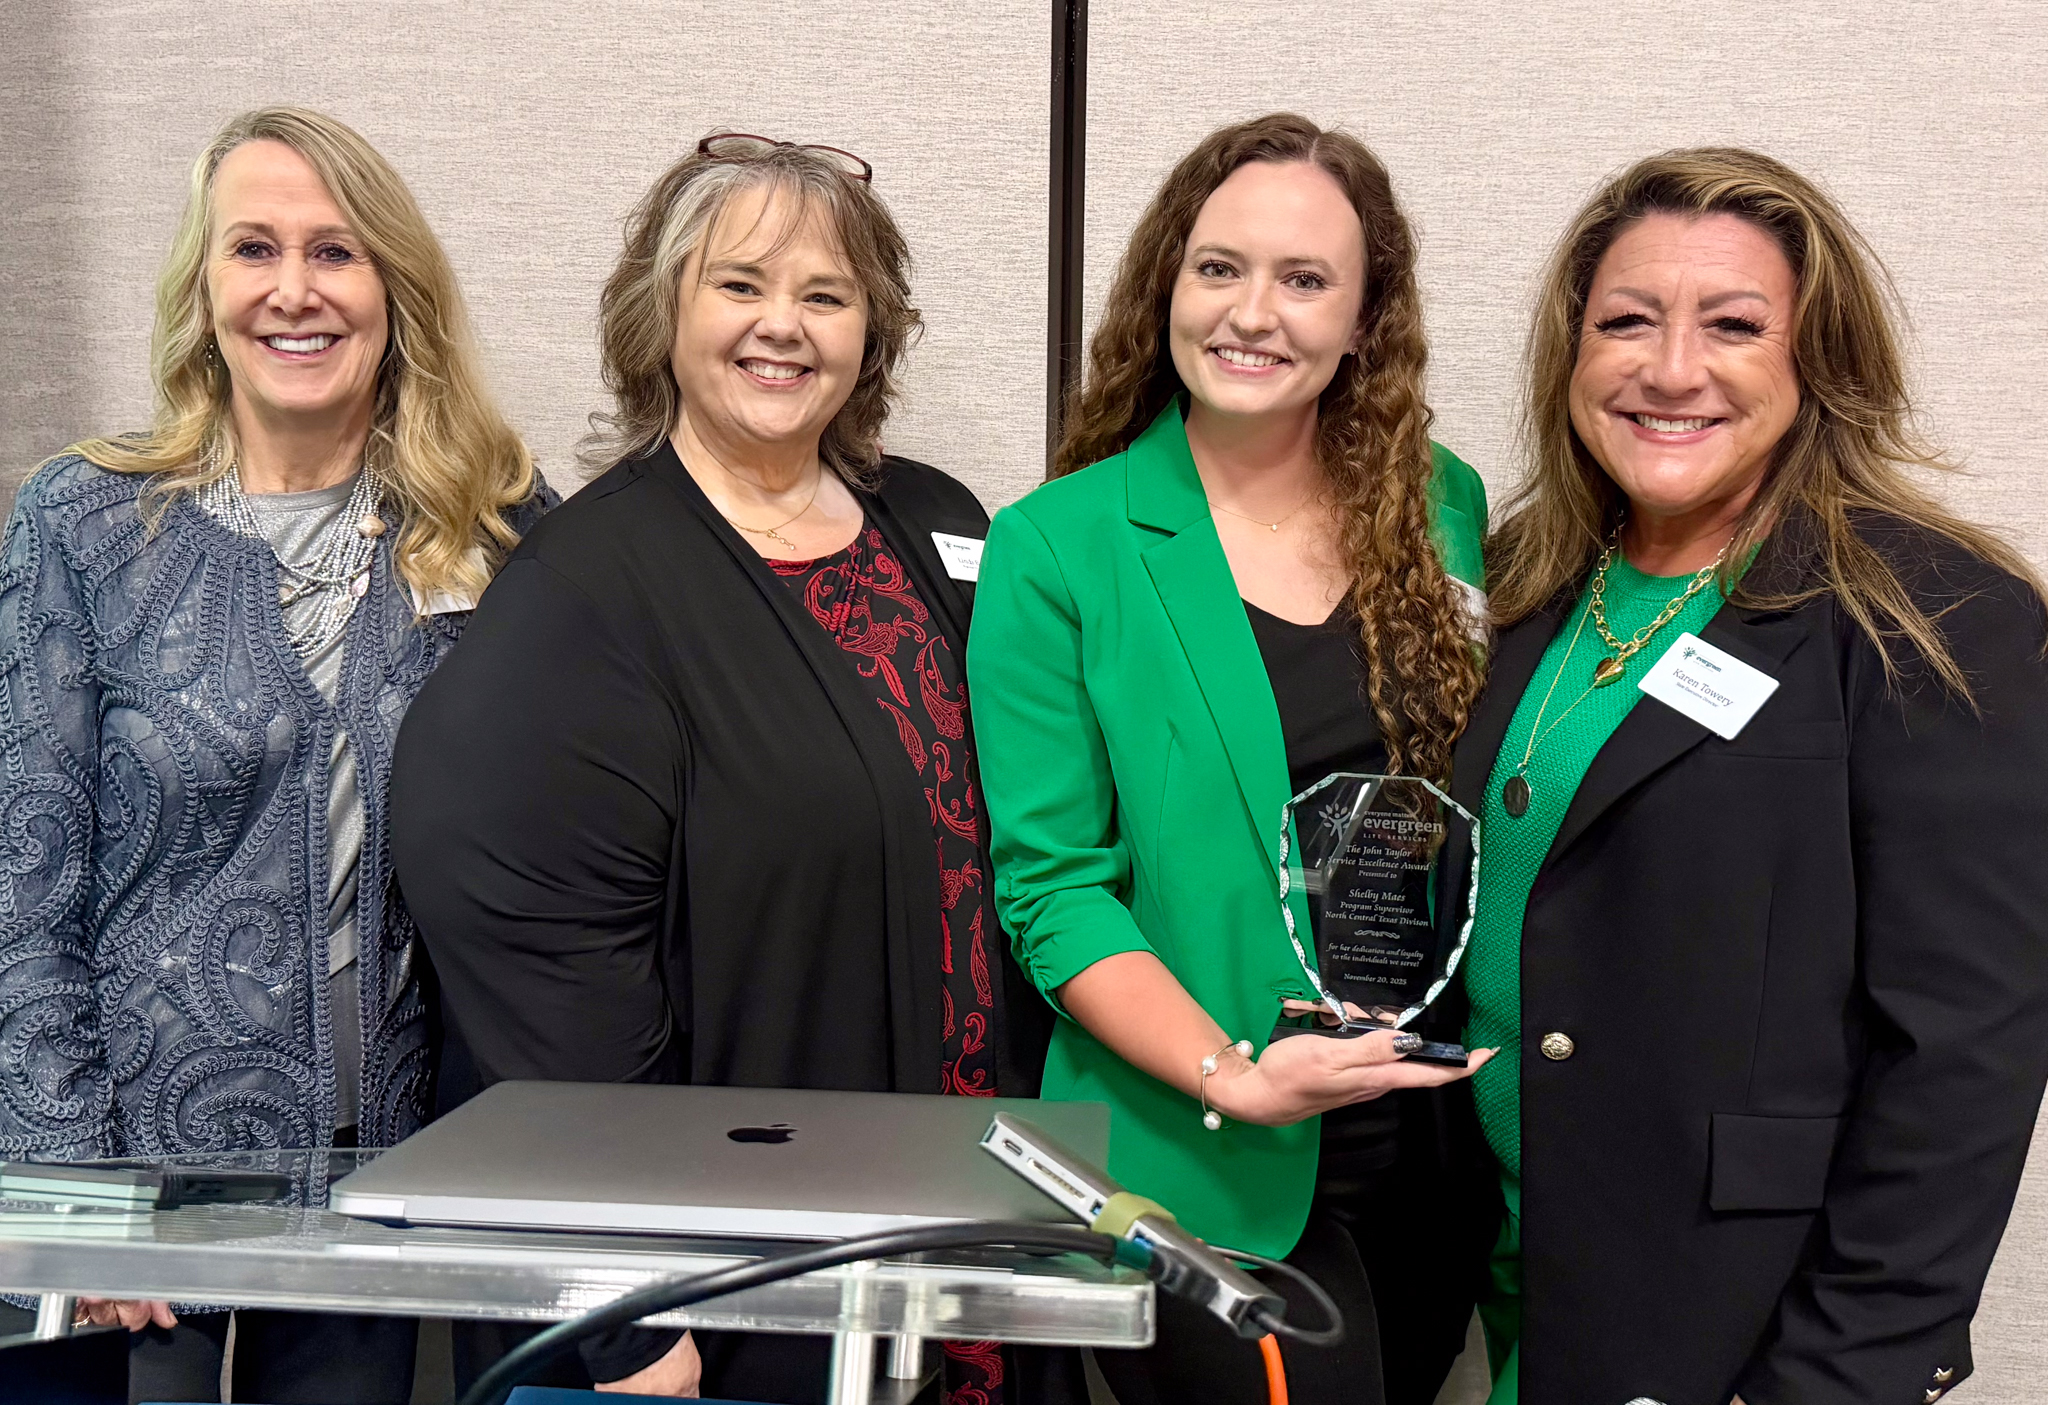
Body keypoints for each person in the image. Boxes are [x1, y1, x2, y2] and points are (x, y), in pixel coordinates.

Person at [389, 134, 1065, 1405]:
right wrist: (630, 1312)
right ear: (663, 311)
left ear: (874, 329)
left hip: (966, 1212)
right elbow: (541, 974)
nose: (783, 326)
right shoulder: (586, 590)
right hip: (729, 1281)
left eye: (826, 294)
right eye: (739, 284)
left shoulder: (939, 523)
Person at [1456, 146, 2048, 1405]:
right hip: (1513, 1277)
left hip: (1735, 1320)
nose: (1670, 369)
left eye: (1733, 326)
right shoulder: (1520, 589)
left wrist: (1837, 1375)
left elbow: (1962, 1055)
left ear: (1813, 362)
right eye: (1625, 321)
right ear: (1571, 355)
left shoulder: (1926, 618)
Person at [0, 107, 547, 1403]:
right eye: (255, 249)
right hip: (141, 1180)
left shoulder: (501, 528)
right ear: (205, 287)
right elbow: (21, 885)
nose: (294, 291)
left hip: (378, 1178)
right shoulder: (82, 524)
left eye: (336, 252)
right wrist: (77, 1192)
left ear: (395, 288)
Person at [969, 113, 1499, 1405]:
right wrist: (1235, 1075)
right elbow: (1053, 885)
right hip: (1207, 1145)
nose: (1252, 312)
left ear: (1367, 317)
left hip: (1430, 1134)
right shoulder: (1061, 546)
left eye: (1304, 278)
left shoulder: (1443, 502)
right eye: (1219, 268)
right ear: (1168, 286)